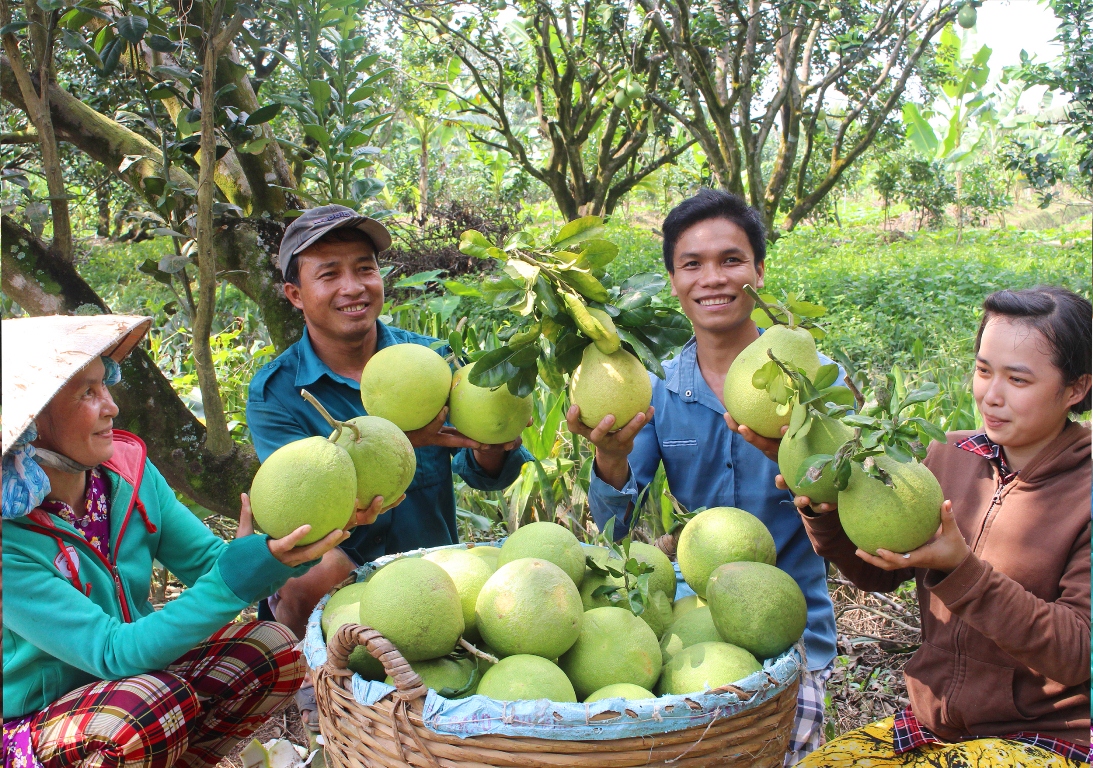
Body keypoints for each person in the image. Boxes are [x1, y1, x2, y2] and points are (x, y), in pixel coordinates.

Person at [2, 314, 351, 768]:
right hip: (38, 727)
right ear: (31, 423)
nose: (111, 406)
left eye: (104, 385)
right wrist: (234, 578)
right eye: (86, 393)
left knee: (273, 649)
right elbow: (114, 652)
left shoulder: (128, 477)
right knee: (146, 709)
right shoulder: (9, 544)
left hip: (138, 692)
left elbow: (214, 564)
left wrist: (302, 539)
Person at [568, 189, 838, 766]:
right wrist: (611, 459)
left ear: (759, 271)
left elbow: (860, 505)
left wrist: (814, 481)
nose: (712, 279)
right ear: (672, 280)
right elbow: (617, 526)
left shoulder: (816, 380)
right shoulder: (659, 386)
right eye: (692, 264)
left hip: (795, 629)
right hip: (698, 629)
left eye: (731, 260)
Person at [245, 205, 532, 726]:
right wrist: (403, 440)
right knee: (304, 575)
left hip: (434, 573)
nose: (353, 286)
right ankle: (325, 700)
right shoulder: (279, 392)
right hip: (341, 575)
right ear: (295, 294)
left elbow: (484, 471)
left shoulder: (429, 360)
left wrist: (492, 437)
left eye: (365, 268)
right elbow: (305, 512)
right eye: (329, 274)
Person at [793, 286, 1091, 767]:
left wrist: (961, 569)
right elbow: (881, 573)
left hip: (1045, 739)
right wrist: (824, 516)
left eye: (1017, 379)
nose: (991, 396)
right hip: (935, 729)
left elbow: (1078, 651)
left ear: (1075, 388)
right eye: (982, 370)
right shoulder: (947, 456)